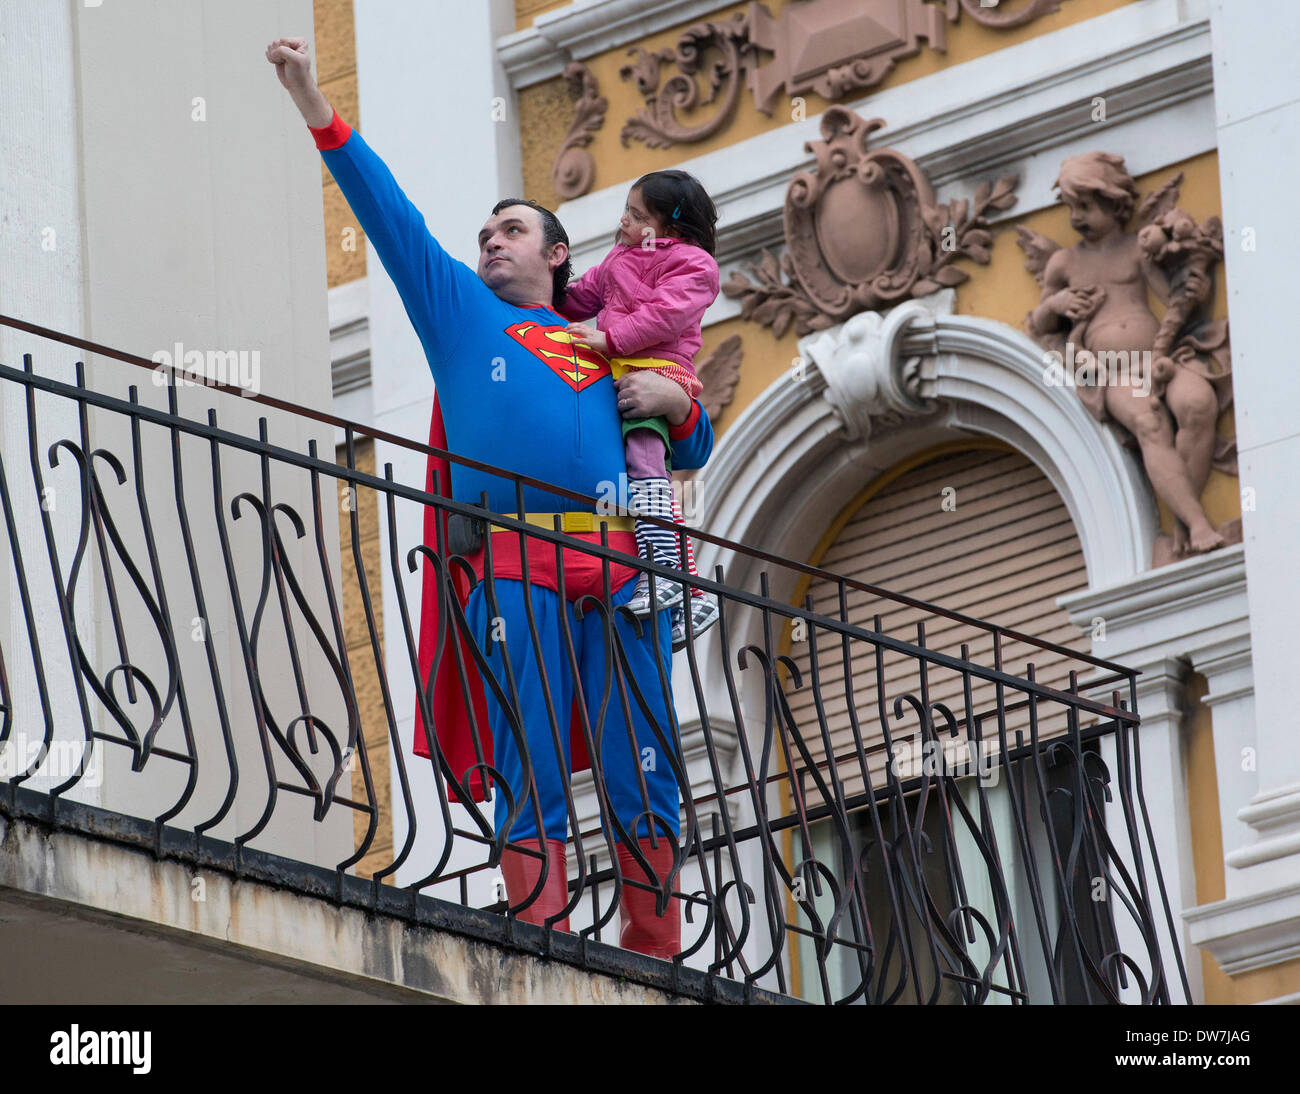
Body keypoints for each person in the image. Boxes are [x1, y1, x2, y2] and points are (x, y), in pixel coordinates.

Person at [267, 37, 713, 959]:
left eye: (509, 230)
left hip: (625, 559)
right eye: (484, 236)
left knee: (644, 757)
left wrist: (679, 405)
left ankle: (656, 944)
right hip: (515, 562)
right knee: (533, 751)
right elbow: (388, 216)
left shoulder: (608, 335)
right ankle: (543, 930)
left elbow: (681, 434)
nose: (489, 243)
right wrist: (317, 103)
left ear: (557, 254)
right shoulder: (465, 314)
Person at [560, 173, 723, 649]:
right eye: (626, 210)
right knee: (643, 477)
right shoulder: (620, 257)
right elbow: (583, 296)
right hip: (623, 369)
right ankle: (692, 594)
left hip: (658, 371)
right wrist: (545, 298)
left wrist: (608, 339)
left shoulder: (696, 266)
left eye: (636, 215)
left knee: (646, 467)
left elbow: (664, 316)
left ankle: (665, 570)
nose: (623, 220)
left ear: (669, 226)